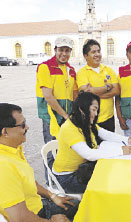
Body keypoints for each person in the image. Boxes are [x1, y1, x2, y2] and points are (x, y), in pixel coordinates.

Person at [0, 103, 93, 222]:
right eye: (22, 125)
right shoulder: (0, 167)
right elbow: (21, 220)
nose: (27, 128)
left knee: (81, 207)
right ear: (5, 132)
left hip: (35, 209)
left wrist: (52, 196)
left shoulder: (8, 148)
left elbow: (27, 181)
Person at [52, 91, 131, 193]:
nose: (96, 113)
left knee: (114, 173)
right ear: (82, 109)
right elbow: (89, 154)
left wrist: (127, 140)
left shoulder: (84, 122)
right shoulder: (69, 128)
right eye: (94, 109)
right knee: (110, 185)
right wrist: (120, 151)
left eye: (97, 110)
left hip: (83, 169)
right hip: (68, 177)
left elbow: (105, 134)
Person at [36, 36, 78, 182]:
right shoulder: (45, 67)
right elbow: (48, 96)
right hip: (52, 118)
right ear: (55, 50)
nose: (64, 54)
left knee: (66, 150)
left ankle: (63, 181)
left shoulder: (71, 70)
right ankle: (51, 185)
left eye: (67, 50)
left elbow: (74, 94)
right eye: (61, 50)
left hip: (66, 117)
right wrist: (65, 115)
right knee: (51, 152)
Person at [76, 39, 119, 132]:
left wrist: (93, 94)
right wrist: (107, 87)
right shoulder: (81, 73)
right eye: (93, 52)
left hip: (108, 119)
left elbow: (116, 91)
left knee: (109, 146)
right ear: (85, 56)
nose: (97, 54)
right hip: (90, 120)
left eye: (98, 51)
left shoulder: (109, 70)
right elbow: (85, 92)